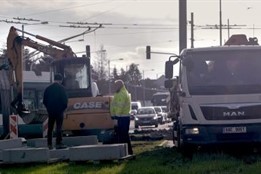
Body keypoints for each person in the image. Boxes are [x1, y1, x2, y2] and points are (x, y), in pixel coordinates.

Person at [43, 73, 68, 149]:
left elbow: (44, 101)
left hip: (51, 111)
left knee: (50, 128)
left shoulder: (48, 89)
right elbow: (65, 101)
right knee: (59, 127)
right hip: (59, 111)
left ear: (54, 79)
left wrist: (49, 108)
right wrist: (62, 109)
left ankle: (49, 144)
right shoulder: (62, 88)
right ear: (60, 80)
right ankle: (58, 143)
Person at [110, 79, 133, 155]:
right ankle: (126, 152)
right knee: (122, 135)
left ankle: (126, 152)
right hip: (121, 117)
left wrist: (116, 117)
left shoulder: (121, 94)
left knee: (123, 136)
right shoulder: (119, 93)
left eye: (115, 85)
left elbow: (120, 107)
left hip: (122, 118)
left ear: (119, 86)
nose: (114, 87)